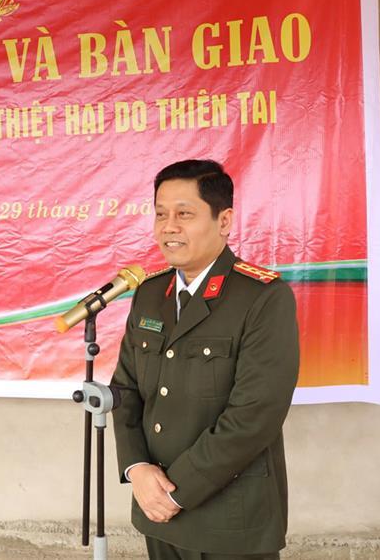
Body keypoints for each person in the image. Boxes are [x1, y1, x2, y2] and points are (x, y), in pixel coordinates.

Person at [110, 159, 300, 560]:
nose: (169, 227)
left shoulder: (262, 298)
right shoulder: (149, 294)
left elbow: (255, 415)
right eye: (161, 214)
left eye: (184, 214)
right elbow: (125, 390)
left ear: (224, 219)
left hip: (230, 517)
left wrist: (175, 492)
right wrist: (137, 469)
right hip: (157, 511)